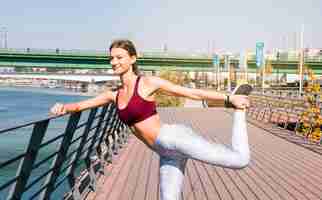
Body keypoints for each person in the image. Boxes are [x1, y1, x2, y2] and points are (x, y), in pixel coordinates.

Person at [50, 39, 252, 200]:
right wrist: (63, 107)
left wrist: (227, 98)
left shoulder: (147, 83)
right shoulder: (114, 94)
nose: (114, 62)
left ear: (133, 58)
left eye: (119, 57)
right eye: (111, 58)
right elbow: (80, 106)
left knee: (240, 160)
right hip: (165, 152)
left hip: (173, 138)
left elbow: (190, 93)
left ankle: (238, 111)